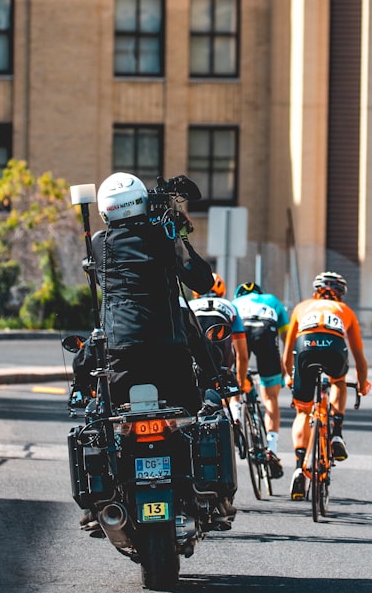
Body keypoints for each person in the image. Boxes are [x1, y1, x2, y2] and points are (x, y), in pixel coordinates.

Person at [86, 172, 215, 412]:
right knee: (192, 420)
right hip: (169, 352)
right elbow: (202, 282)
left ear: (105, 211)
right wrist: (179, 233)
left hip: (120, 353)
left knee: (103, 420)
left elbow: (95, 280)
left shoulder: (97, 244)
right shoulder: (164, 238)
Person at [282, 271, 370, 500]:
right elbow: (359, 357)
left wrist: (289, 376)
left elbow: (287, 352)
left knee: (302, 410)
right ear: (340, 294)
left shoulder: (302, 307)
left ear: (315, 292)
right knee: (338, 381)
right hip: (334, 348)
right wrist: (362, 384)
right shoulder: (345, 311)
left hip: (305, 347)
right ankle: (337, 433)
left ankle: (300, 467)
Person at [232, 281, 289, 478]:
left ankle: (236, 414)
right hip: (265, 330)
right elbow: (286, 339)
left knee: (236, 382)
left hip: (240, 331)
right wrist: (284, 368)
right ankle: (271, 448)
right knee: (270, 399)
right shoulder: (272, 300)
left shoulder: (235, 302)